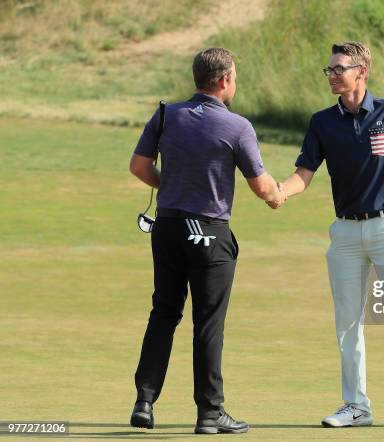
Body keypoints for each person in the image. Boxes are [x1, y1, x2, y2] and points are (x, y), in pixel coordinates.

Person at [275, 42, 384, 428]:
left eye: (340, 68)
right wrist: (281, 191)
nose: (333, 74)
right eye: (330, 69)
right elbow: (304, 173)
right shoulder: (321, 122)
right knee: (347, 321)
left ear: (361, 72)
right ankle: (356, 406)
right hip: (345, 233)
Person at [128, 47, 285, 435]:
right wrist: (277, 196)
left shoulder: (166, 113)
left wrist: (172, 187)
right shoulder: (237, 126)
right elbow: (260, 184)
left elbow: (139, 166)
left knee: (163, 312)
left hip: (166, 227)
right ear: (224, 80)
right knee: (208, 323)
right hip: (208, 233)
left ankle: (144, 402)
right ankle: (210, 414)